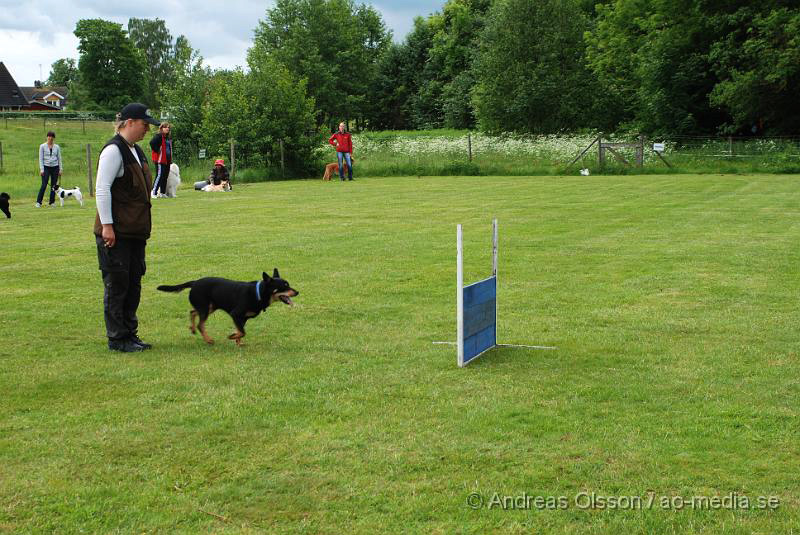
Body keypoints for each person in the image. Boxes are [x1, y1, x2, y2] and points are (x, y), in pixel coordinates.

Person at [94, 103, 160, 352]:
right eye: (144, 125)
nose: (146, 130)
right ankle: (117, 338)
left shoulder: (136, 151)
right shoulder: (113, 151)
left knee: (133, 284)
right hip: (116, 233)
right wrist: (107, 226)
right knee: (117, 285)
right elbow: (102, 189)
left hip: (134, 233)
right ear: (130, 122)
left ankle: (130, 334)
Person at [36, 131, 62, 207]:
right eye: (49, 136)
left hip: (55, 167)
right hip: (46, 167)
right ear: (47, 137)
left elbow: (59, 158)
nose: (50, 138)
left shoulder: (57, 147)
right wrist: (42, 169)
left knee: (54, 186)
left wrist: (60, 169)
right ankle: (38, 202)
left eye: (52, 136)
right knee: (44, 185)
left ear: (54, 138)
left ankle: (52, 202)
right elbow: (40, 158)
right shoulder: (42, 146)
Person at [149, 122, 173, 198]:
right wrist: (157, 150)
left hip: (167, 160)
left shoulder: (168, 137)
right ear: (161, 128)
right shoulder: (159, 136)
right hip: (160, 159)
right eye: (165, 127)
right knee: (159, 175)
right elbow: (152, 143)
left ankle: (162, 193)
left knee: (165, 176)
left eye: (168, 127)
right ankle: (153, 192)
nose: (167, 129)